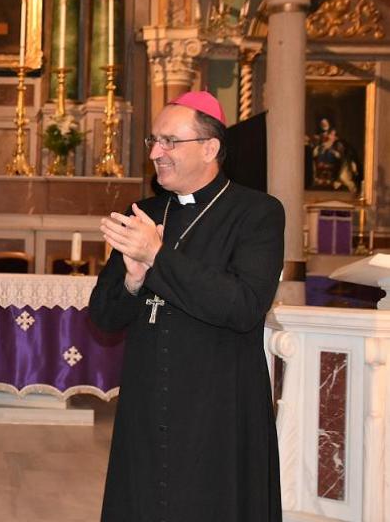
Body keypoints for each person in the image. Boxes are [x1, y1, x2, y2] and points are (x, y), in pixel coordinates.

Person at [90, 91, 284, 521]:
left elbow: (244, 306)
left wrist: (157, 256)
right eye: (153, 141)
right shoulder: (143, 214)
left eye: (170, 142)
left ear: (210, 148)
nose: (155, 153)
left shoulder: (257, 214)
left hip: (219, 404)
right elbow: (102, 317)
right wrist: (132, 281)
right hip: (147, 400)